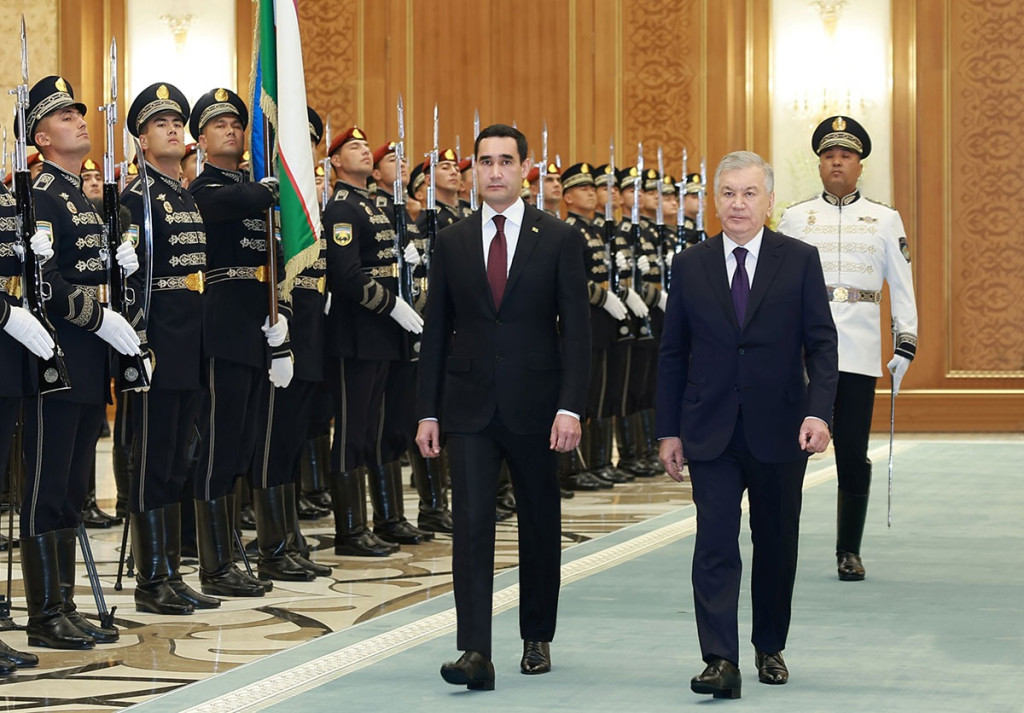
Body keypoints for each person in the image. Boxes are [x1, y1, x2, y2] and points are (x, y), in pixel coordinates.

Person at [656, 151, 838, 699]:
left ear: (769, 201)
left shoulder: (800, 259)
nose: (739, 203)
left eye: (750, 193)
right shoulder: (691, 264)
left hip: (781, 428)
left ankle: (769, 645)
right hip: (708, 428)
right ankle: (720, 659)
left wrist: (819, 411)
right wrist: (669, 429)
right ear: (716, 199)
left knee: (776, 541)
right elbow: (672, 353)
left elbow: (823, 345)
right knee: (714, 542)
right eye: (729, 193)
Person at [415, 123, 590, 690]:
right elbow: (436, 330)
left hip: (538, 409)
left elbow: (578, 334)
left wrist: (571, 407)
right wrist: (428, 411)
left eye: (505, 161)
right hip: (467, 409)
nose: (494, 171)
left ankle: (536, 634)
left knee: (540, 522)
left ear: (523, 170)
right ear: (474, 171)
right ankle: (474, 649)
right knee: (470, 528)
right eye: (485, 161)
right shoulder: (454, 240)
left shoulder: (559, 238)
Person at [19, 75, 141, 649]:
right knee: (47, 483)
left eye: (79, 113)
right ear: (42, 137)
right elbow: (44, 280)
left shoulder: (81, 198)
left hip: (90, 361)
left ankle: (63, 604)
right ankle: (44, 614)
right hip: (57, 359)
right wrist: (97, 316)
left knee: (71, 485)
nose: (79, 121)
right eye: (65, 117)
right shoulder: (43, 194)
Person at [777, 116, 918, 582]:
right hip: (802, 353)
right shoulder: (796, 218)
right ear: (819, 165)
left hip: (858, 349)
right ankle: (781, 540)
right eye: (829, 156)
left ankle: (848, 551)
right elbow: (777, 288)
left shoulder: (885, 218)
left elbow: (901, 284)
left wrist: (906, 341)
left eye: (846, 156)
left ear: (860, 165)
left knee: (853, 453)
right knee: (789, 450)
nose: (837, 163)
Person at [120, 82, 222, 613]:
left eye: (177, 121)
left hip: (192, 340)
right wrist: (138, 343)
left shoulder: (183, 193)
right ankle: (150, 579)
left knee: (181, 456)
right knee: (153, 459)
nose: (173, 128)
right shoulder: (136, 197)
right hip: (159, 341)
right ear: (141, 136)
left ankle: (172, 573)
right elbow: (128, 277)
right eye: (161, 123)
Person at [187, 87, 292, 594]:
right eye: (219, 124)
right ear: (201, 138)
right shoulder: (204, 189)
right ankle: (214, 564)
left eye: (237, 123)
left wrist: (281, 320)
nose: (231, 130)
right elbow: (221, 204)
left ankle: (230, 556)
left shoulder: (255, 189)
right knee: (218, 445)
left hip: (256, 324)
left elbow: (274, 255)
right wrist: (273, 189)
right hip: (223, 327)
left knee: (242, 446)